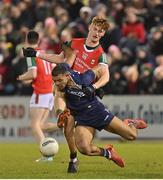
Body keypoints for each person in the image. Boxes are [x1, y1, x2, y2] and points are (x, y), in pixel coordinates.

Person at [23, 16, 111, 173]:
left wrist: (96, 86)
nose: (97, 33)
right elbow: (59, 59)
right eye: (96, 29)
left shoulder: (101, 54)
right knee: (62, 104)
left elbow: (105, 75)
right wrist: (36, 54)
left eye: (101, 31)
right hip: (66, 88)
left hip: (84, 95)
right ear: (90, 27)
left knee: (85, 144)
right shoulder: (74, 43)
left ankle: (93, 150)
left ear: (103, 34)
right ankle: (72, 156)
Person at [51, 62, 148, 168]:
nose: (57, 83)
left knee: (132, 136)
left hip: (97, 112)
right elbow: (58, 99)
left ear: (67, 75)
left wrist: (94, 87)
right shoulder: (57, 87)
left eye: (59, 80)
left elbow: (103, 68)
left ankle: (131, 123)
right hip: (83, 119)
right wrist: (60, 113)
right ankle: (108, 153)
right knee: (84, 148)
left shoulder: (83, 78)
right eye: (55, 81)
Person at [17, 31, 59, 162]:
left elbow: (33, 74)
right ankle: (64, 124)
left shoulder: (30, 53)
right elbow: (53, 68)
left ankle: (47, 155)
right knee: (40, 125)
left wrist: (20, 77)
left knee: (34, 126)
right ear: (38, 40)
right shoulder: (43, 52)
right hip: (49, 91)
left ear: (26, 39)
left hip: (40, 91)